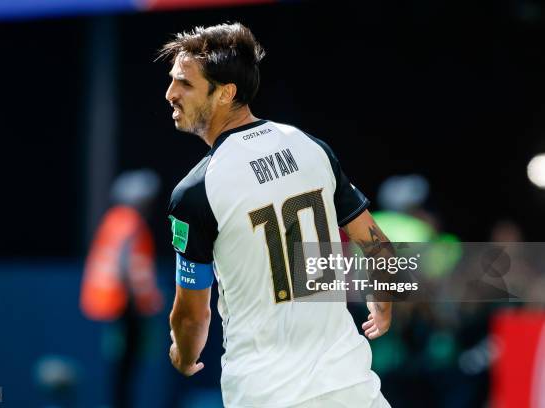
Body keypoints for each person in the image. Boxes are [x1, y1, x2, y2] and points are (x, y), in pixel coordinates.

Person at [158, 23, 392, 407]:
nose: (170, 94)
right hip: (352, 388)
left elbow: (191, 316)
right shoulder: (309, 147)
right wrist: (382, 304)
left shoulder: (196, 191)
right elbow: (380, 247)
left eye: (184, 83)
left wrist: (183, 357)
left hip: (266, 394)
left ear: (226, 94)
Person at [79, 169, 164, 408]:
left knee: (118, 371)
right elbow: (133, 268)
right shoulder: (132, 223)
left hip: (110, 304)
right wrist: (148, 301)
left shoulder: (114, 219)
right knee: (125, 371)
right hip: (124, 306)